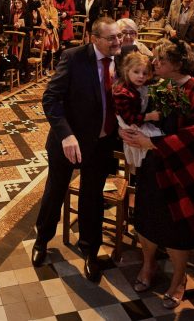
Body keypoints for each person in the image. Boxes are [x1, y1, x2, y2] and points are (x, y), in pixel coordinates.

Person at [119, 39, 194, 309]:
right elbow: (132, 110)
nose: (154, 64)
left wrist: (153, 143)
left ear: (177, 63)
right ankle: (148, 265)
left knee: (178, 224)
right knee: (147, 214)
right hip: (153, 162)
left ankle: (179, 276)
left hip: (184, 167)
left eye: (161, 60)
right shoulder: (154, 86)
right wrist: (125, 128)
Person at [32, 17, 122, 282]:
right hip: (68, 141)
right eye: (111, 38)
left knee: (91, 197)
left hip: (102, 142)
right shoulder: (74, 58)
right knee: (55, 192)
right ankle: (42, 240)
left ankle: (90, 251)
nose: (118, 42)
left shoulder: (124, 58)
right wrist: (66, 135)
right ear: (95, 39)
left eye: (118, 36)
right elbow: (50, 98)